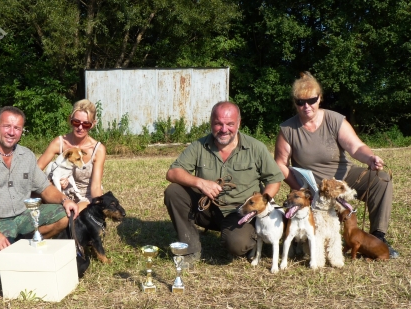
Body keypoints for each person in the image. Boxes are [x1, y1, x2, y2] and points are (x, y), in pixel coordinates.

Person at [274, 72, 399, 258]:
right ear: (295, 103)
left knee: (382, 179)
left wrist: (370, 158)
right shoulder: (287, 129)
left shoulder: (334, 120)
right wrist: (300, 188)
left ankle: (377, 236)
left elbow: (355, 147)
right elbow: (281, 164)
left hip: (343, 179)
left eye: (312, 100)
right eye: (301, 102)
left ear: (320, 98)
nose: (306, 106)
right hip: (313, 186)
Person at [0, 106, 79, 276]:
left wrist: (64, 200)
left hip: (24, 215)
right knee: (3, 268)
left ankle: (21, 242)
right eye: (7, 126)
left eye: (17, 128)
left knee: (64, 215)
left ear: (21, 131)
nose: (11, 132)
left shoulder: (27, 156)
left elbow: (44, 188)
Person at [164, 101, 284, 263]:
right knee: (174, 191)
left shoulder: (256, 148)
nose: (224, 129)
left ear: (239, 123)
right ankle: (189, 249)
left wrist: (260, 206)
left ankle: (252, 237)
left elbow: (274, 179)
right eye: (218, 124)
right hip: (207, 208)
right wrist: (200, 183)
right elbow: (173, 172)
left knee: (237, 245)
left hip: (241, 212)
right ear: (211, 123)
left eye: (229, 124)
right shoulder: (199, 146)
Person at [37, 99, 106, 210]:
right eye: (76, 122)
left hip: (83, 197)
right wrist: (51, 182)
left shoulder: (98, 150)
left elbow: (96, 186)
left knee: (72, 214)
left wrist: (99, 207)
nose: (80, 127)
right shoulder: (59, 143)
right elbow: (35, 171)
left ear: (93, 124)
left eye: (86, 124)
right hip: (59, 195)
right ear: (70, 120)